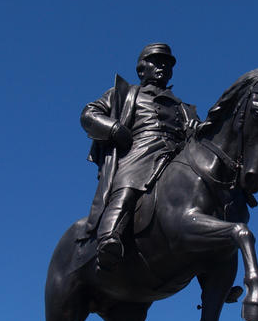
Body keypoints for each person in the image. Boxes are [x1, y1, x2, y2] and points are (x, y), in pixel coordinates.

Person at [81, 43, 199, 269]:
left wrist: (195, 129)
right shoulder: (123, 94)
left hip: (177, 155)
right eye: (157, 62)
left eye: (167, 64)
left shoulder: (184, 108)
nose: (162, 67)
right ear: (141, 69)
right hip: (141, 151)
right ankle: (109, 237)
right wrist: (114, 128)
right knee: (129, 186)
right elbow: (89, 114)